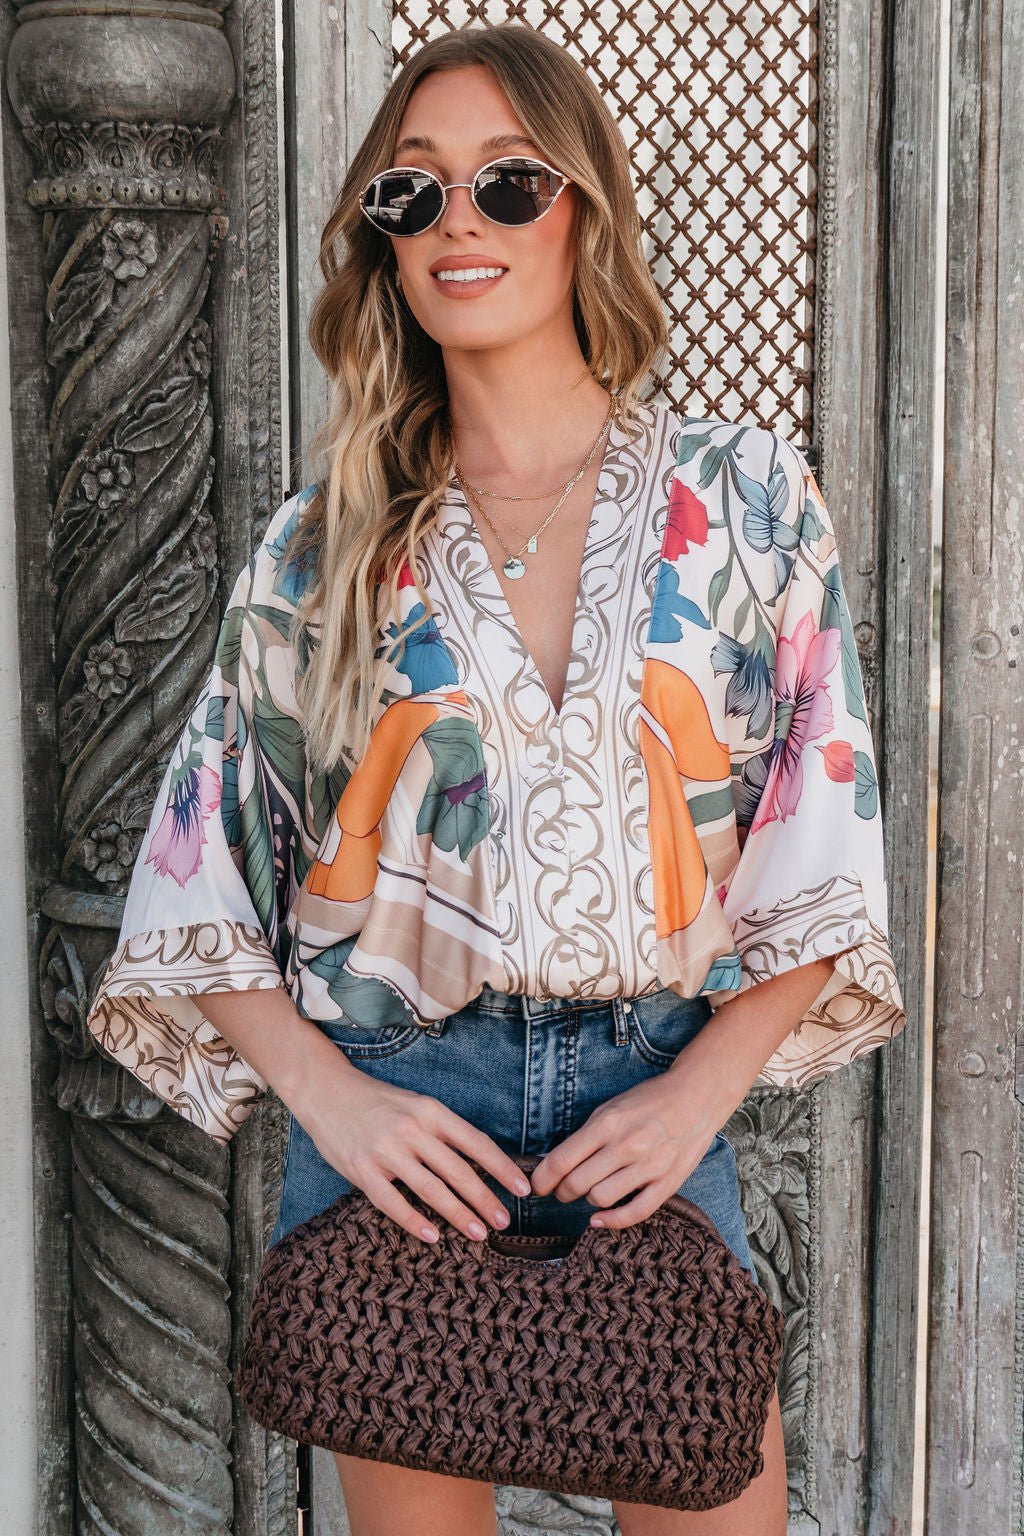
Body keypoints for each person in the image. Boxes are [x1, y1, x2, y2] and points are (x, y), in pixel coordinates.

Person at [86, 21, 907, 1536]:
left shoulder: (745, 502)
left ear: (582, 206)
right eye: (415, 193)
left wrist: (695, 1097)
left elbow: (823, 835)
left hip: (654, 1107)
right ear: (384, 243)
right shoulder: (322, 548)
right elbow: (202, 871)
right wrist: (337, 1105)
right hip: (411, 1124)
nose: (458, 222)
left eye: (508, 185)